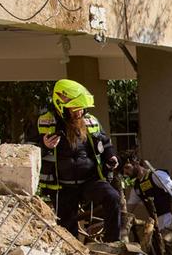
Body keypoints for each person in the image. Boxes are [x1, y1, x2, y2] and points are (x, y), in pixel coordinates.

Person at [38, 79, 123, 242]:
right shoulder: (44, 122)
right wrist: (44, 145)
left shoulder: (90, 120)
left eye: (82, 108)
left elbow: (105, 143)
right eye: (75, 109)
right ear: (61, 106)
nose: (80, 113)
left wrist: (111, 156)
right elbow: (29, 149)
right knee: (68, 232)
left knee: (112, 197)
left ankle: (113, 243)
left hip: (89, 181)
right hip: (62, 187)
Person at [122, 157, 172, 255]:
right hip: (158, 223)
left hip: (171, 217)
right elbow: (128, 208)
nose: (126, 172)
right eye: (124, 170)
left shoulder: (156, 175)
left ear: (136, 163)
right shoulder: (137, 187)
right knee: (165, 252)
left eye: (127, 167)